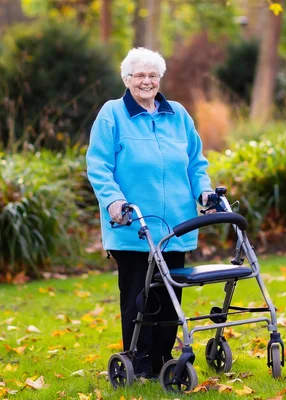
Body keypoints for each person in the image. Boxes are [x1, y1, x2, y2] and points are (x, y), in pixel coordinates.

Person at [86, 47, 215, 378]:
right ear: (127, 79)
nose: (146, 81)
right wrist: (113, 200)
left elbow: (196, 162)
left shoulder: (178, 115)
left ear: (160, 78)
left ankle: (163, 359)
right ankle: (139, 360)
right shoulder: (112, 114)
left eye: (152, 75)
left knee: (171, 295)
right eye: (139, 75)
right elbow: (99, 165)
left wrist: (204, 191)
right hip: (132, 226)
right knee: (137, 295)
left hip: (176, 225)